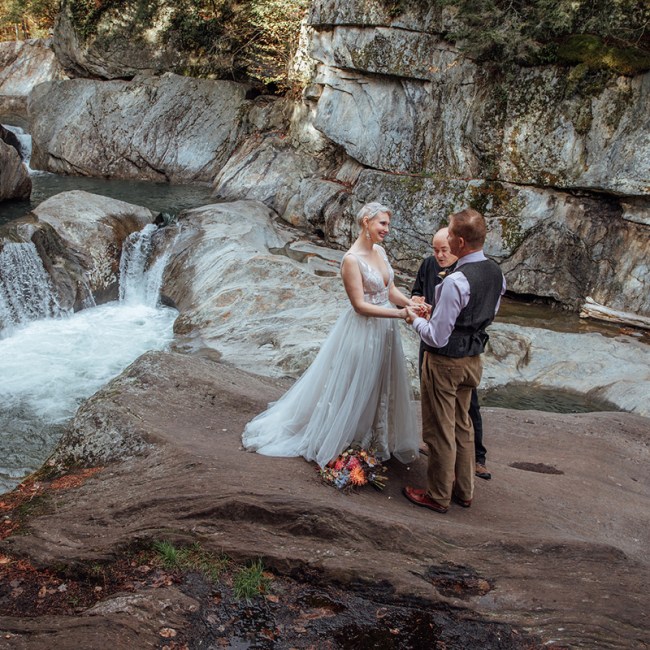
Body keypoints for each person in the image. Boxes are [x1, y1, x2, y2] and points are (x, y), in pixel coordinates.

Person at [242, 202, 422, 468]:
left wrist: (410, 305)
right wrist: (400, 315)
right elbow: (359, 306)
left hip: (385, 330)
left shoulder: (381, 252)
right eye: (382, 223)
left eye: (387, 224)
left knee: (380, 382)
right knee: (356, 383)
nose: (387, 229)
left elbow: (389, 291)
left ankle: (374, 438)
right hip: (363, 331)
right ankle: (344, 437)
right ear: (366, 222)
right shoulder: (351, 260)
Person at [403, 208, 505, 514]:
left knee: (440, 429)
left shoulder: (456, 281)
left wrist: (414, 320)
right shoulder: (496, 273)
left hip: (445, 363)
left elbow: (436, 337)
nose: (445, 236)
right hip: (473, 359)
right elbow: (485, 314)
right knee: (463, 424)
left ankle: (437, 494)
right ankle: (464, 490)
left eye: (448, 233)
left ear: (460, 241)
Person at [411, 227, 492, 480]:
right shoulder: (428, 265)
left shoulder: (463, 275)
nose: (439, 255)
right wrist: (417, 302)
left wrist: (415, 320)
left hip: (451, 349)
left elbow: (446, 326)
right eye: (435, 250)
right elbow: (416, 291)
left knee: (466, 409)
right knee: (430, 399)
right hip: (434, 343)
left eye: (444, 250)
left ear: (457, 247)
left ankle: (475, 460)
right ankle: (437, 449)